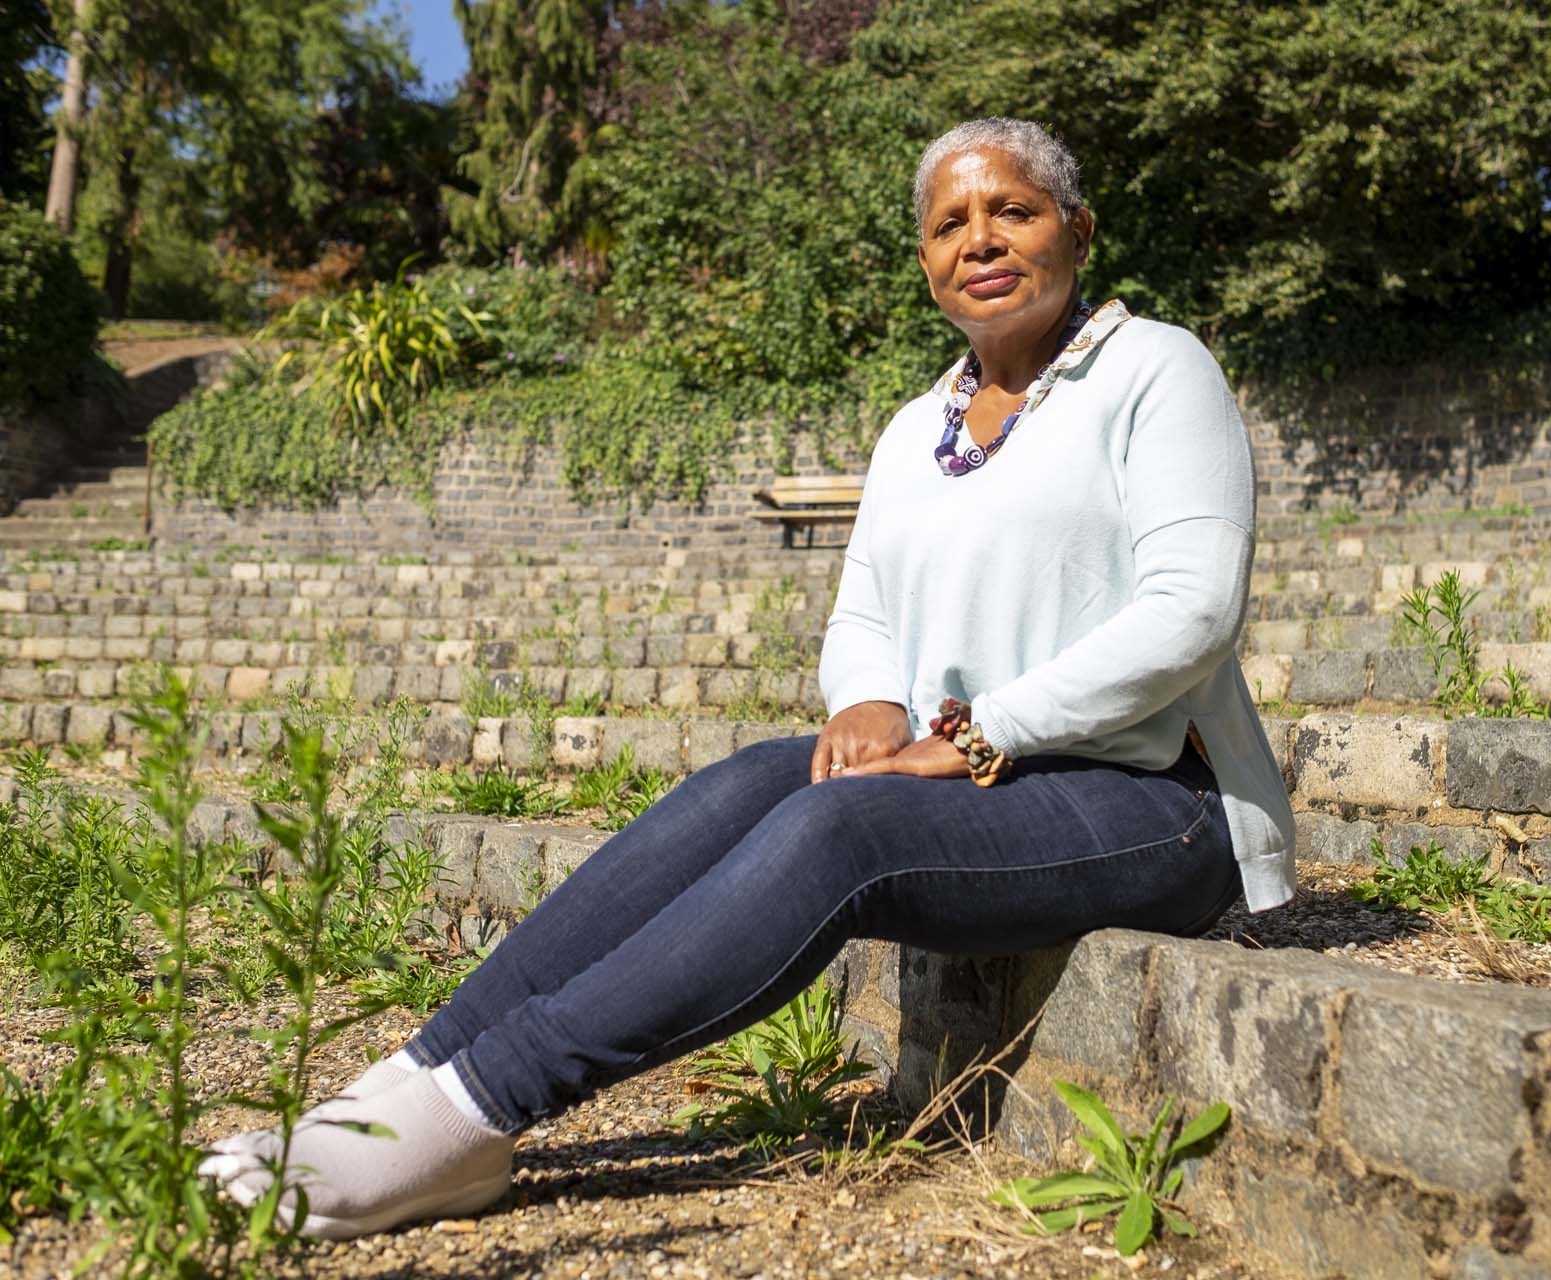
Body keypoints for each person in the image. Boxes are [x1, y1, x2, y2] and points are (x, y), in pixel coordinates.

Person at [200, 117, 1297, 1240]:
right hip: (977, 780)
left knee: (843, 830)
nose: (980, 240)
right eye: (948, 223)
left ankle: (475, 1114)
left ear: (1078, 227)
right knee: (754, 781)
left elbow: (1194, 608)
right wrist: (867, 698)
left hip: (1152, 799)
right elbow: (865, 606)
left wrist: (983, 731)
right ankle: (407, 1080)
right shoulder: (917, 427)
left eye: (1012, 210)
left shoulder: (1157, 368)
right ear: (924, 258)